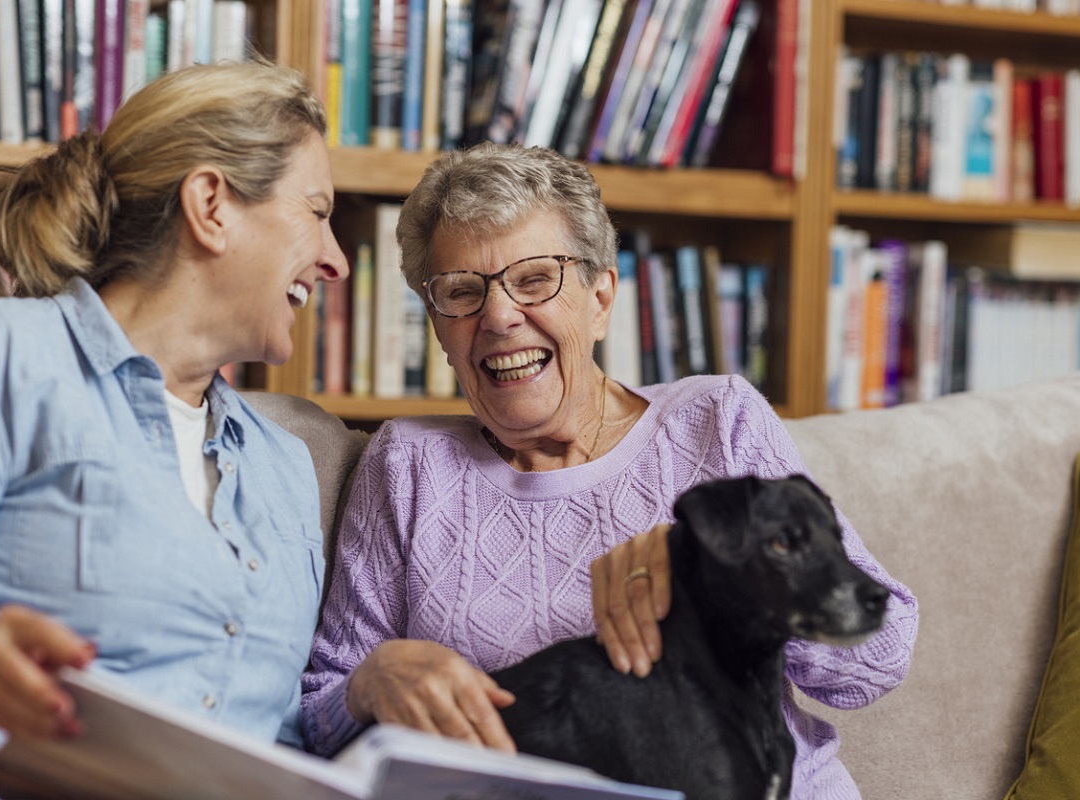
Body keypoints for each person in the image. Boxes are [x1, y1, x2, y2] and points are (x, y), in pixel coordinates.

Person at [301, 142, 918, 799]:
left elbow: (876, 662)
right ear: (439, 328)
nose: (500, 316)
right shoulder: (407, 465)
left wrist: (716, 576)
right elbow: (317, 718)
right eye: (462, 292)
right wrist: (372, 682)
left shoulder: (717, 421)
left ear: (601, 299)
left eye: (534, 278)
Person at [0, 60, 353, 797]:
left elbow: (278, 742)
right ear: (211, 204)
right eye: (317, 213)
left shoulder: (286, 467)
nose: (336, 260)